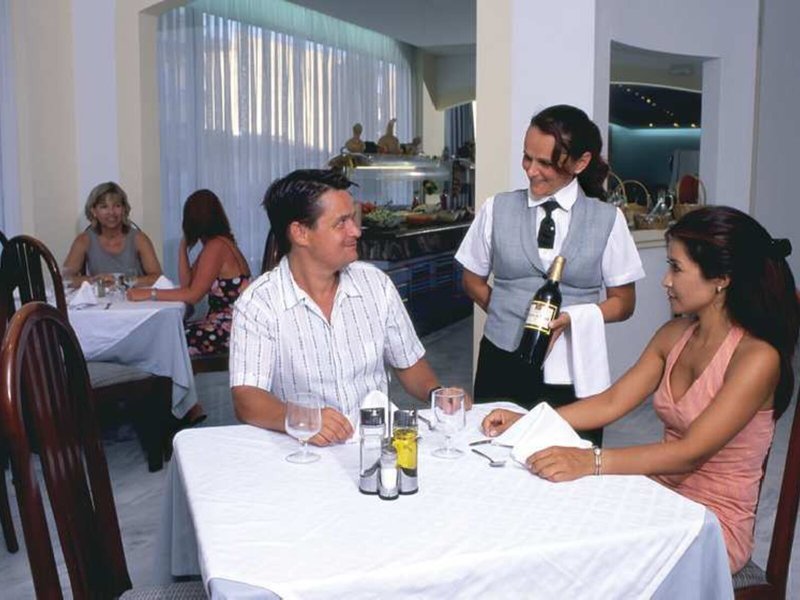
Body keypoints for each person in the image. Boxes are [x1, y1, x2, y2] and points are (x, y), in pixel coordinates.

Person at [481, 206, 800, 573]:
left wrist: (590, 461)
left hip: (712, 525)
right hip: (658, 497)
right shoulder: (674, 335)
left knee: (585, 562)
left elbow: (689, 454)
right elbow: (612, 402)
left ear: (721, 279)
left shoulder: (757, 358)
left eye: (676, 268)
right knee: (552, 522)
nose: (665, 281)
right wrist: (530, 419)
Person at [229, 169, 468, 446]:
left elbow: (409, 363)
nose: (355, 231)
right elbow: (246, 398)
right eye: (341, 222)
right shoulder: (258, 304)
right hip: (303, 449)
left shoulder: (376, 284)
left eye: (353, 218)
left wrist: (437, 394)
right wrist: (303, 418)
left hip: (374, 444)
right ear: (300, 233)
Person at [455, 104, 644, 445]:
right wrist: (506, 312)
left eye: (545, 163)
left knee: (567, 454)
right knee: (491, 450)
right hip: (501, 360)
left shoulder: (608, 220)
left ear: (580, 163)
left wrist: (574, 319)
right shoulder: (496, 208)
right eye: (527, 158)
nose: (531, 170)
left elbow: (624, 303)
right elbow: (472, 280)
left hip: (573, 368)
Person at [127, 189, 252, 424]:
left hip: (229, 329)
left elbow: (192, 296)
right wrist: (183, 246)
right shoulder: (216, 245)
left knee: (168, 339)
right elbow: (188, 284)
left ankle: (181, 407)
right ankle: (184, 405)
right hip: (224, 325)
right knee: (169, 336)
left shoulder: (216, 247)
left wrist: (149, 293)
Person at [63, 181, 162, 286]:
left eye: (117, 206)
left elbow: (158, 278)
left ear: (124, 209)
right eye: (104, 207)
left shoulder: (139, 239)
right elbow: (66, 279)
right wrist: (94, 280)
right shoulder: (84, 240)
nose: (111, 212)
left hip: (134, 295)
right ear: (94, 211)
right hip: (100, 296)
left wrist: (121, 281)